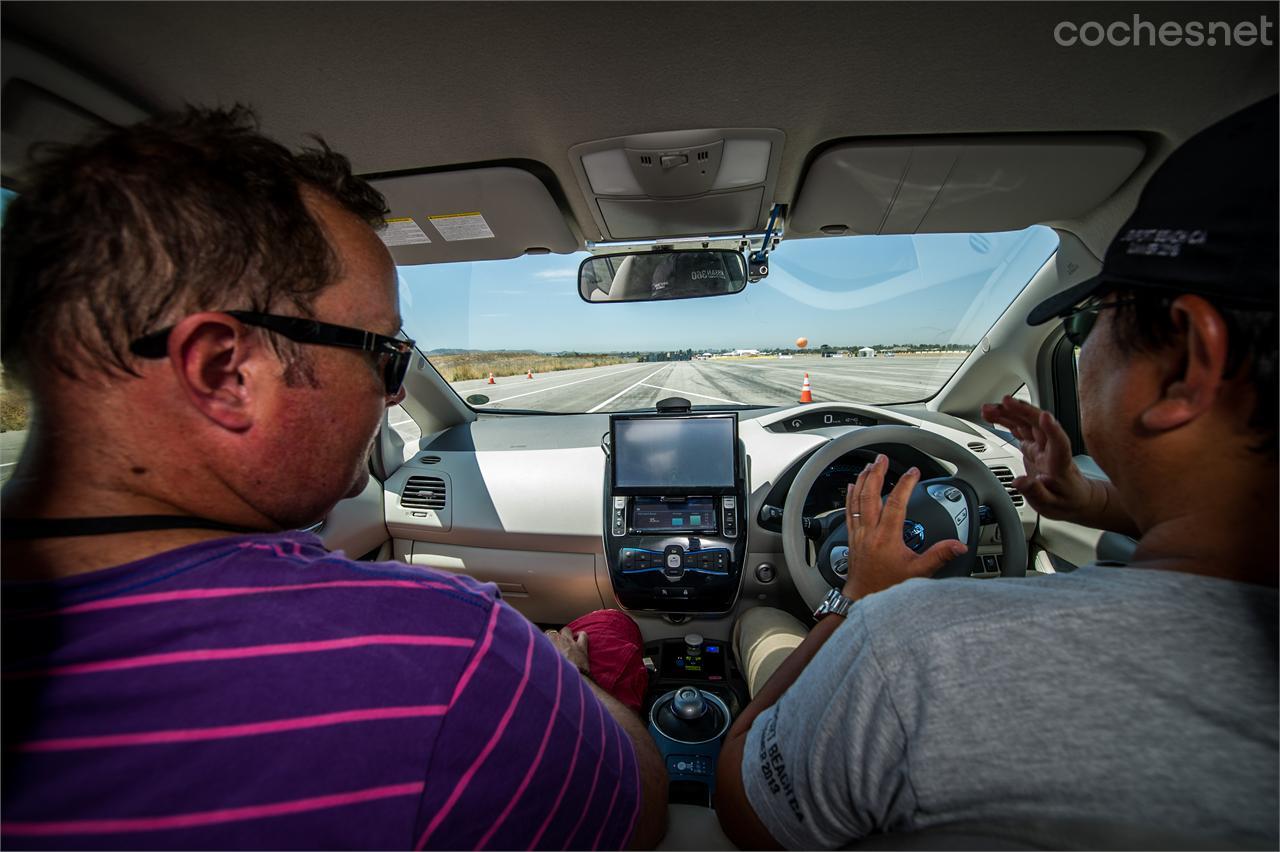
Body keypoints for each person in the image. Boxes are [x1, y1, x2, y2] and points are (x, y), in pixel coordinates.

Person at [0, 107, 666, 850]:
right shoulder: (443, 649)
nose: (391, 394)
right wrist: (568, 678)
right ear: (226, 373)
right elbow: (638, 814)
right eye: (384, 355)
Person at [715, 94, 1278, 849]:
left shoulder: (912, 653)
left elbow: (743, 809)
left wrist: (857, 603)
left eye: (1089, 322)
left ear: (1186, 366)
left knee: (761, 623)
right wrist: (1091, 505)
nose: (1085, 351)